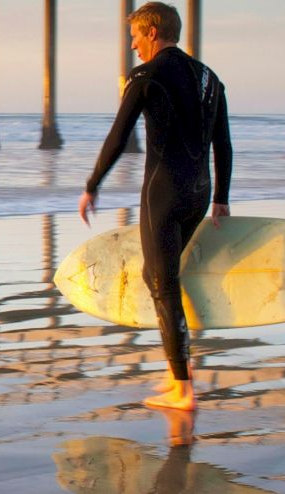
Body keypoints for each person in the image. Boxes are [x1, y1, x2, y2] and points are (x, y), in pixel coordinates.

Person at [78, 1, 233, 411]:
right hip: (199, 194)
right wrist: (221, 198)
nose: (132, 46)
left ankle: (182, 389)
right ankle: (174, 373)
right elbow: (224, 143)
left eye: (135, 37)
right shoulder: (210, 79)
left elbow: (117, 136)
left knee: (164, 286)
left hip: (163, 193)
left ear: (151, 32)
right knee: (159, 276)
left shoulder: (146, 75)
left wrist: (92, 185)